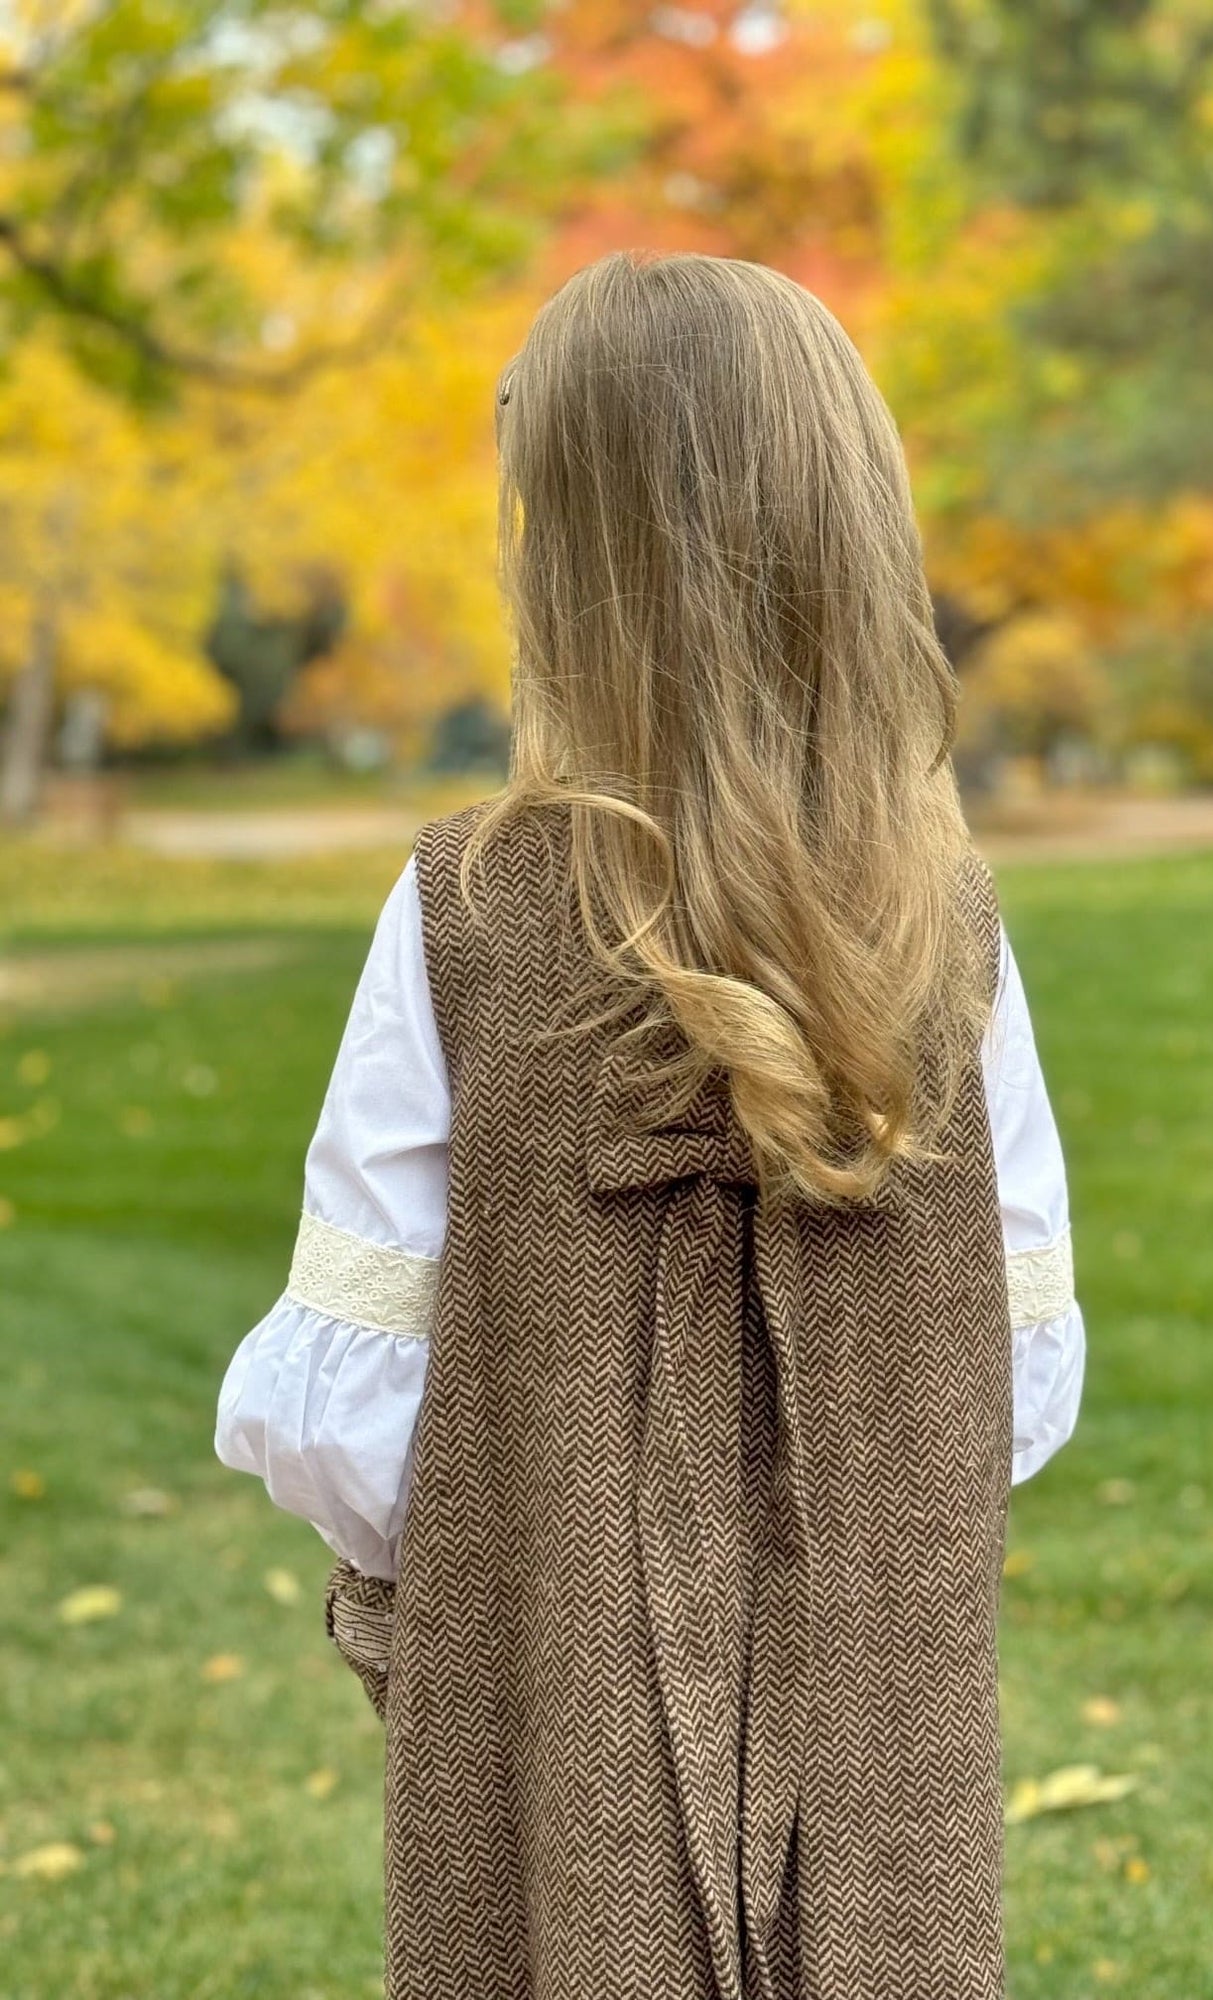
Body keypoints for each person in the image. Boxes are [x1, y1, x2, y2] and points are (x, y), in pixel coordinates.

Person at [214, 249, 1084, 2000]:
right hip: (872, 1718)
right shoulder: (954, 928)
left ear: (579, 570)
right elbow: (1018, 1379)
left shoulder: (464, 908)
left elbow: (344, 1401)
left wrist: (492, 1577)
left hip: (554, 1698)